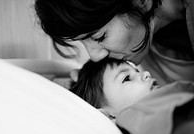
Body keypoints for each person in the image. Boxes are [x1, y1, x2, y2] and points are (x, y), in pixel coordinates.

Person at [34, 0, 194, 84]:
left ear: (140, 2)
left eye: (99, 37)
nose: (95, 56)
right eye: (83, 42)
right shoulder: (146, 43)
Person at [69, 57, 194, 134]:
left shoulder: (165, 97)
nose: (146, 74)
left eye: (137, 71)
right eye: (127, 78)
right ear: (108, 115)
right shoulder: (136, 116)